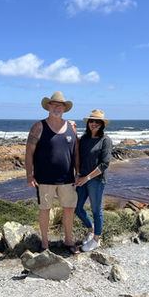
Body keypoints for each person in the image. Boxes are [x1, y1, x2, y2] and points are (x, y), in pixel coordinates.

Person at [25, 91, 80, 254]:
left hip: (67, 179)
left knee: (69, 208)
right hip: (44, 179)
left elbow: (76, 152)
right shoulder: (38, 127)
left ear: (64, 108)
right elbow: (29, 152)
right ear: (48, 106)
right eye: (54, 104)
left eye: (60, 105)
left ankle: (69, 241)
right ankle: (45, 242)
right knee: (45, 210)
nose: (57, 107)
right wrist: (29, 175)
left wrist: (78, 172)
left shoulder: (72, 127)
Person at [75, 109, 112, 252]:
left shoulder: (105, 140)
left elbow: (105, 164)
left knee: (96, 210)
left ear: (102, 124)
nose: (94, 124)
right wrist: (78, 174)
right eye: (91, 121)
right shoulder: (84, 139)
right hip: (82, 178)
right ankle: (91, 229)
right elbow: (78, 157)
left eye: (97, 122)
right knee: (77, 208)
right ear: (88, 123)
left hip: (96, 180)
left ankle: (96, 239)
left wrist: (87, 178)